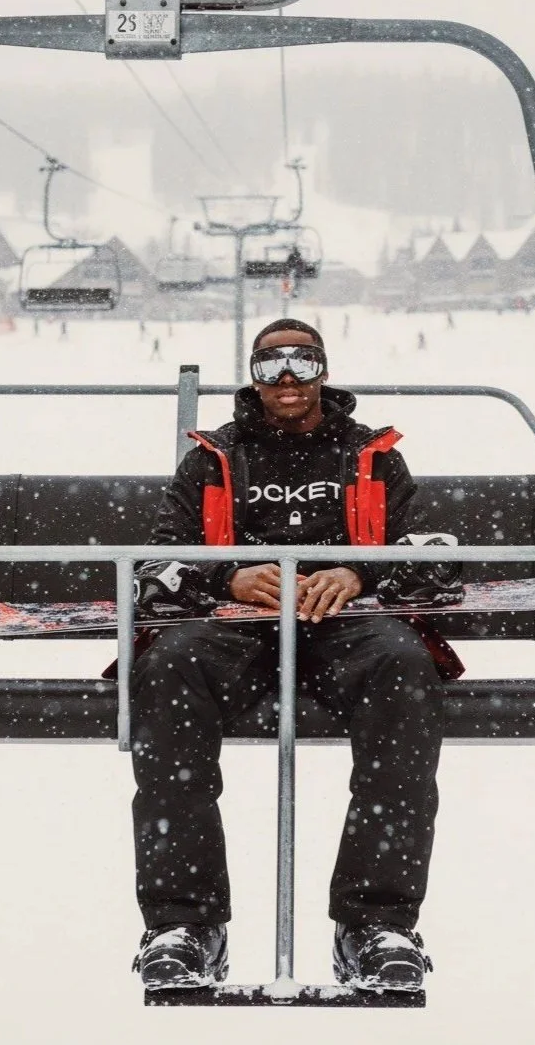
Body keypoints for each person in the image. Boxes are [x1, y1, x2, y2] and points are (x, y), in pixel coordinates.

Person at [129, 318, 465, 997]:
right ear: (252, 376)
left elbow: (424, 548)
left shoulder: (371, 455)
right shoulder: (215, 457)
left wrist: (357, 573)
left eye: (303, 363)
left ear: (325, 371)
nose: (287, 377)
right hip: (238, 624)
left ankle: (376, 923)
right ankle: (185, 923)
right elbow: (163, 555)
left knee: (404, 669)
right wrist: (229, 576)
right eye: (270, 364)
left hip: (346, 621)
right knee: (168, 668)